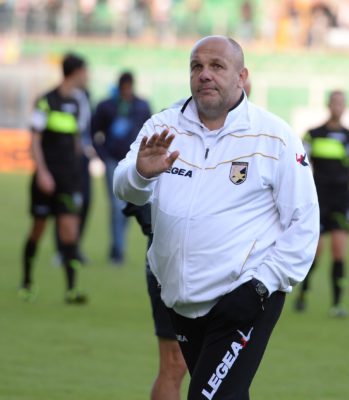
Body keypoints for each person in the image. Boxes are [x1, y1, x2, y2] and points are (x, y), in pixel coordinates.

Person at [114, 36, 319, 399]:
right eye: (197, 66)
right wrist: (141, 174)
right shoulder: (163, 126)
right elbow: (125, 188)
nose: (204, 74)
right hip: (179, 300)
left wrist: (260, 286)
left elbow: (304, 223)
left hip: (244, 299)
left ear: (241, 76)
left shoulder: (274, 137)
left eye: (216, 66)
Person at [19, 53, 90, 304]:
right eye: (85, 71)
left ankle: (71, 289)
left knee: (70, 232)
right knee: (38, 229)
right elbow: (35, 140)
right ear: (76, 72)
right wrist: (42, 172)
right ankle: (27, 281)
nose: (88, 76)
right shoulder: (46, 101)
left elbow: (76, 140)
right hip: (47, 177)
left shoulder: (79, 102)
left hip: (69, 179)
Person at [295, 90, 349, 317]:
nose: (338, 107)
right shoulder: (313, 134)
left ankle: (337, 304)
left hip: (342, 200)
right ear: (328, 105)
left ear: (345, 107)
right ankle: (303, 293)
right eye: (335, 102)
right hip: (319, 199)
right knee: (315, 252)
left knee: (338, 252)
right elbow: (301, 169)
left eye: (342, 103)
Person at [123, 203, 187, 400]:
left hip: (228, 262)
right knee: (174, 362)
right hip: (170, 259)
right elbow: (132, 189)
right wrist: (152, 220)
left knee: (227, 363)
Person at [93, 71, 152, 265]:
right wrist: (103, 156)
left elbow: (150, 129)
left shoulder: (142, 106)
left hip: (134, 162)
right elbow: (94, 132)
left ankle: (117, 246)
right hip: (113, 160)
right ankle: (118, 250)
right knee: (117, 205)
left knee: (128, 205)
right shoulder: (106, 106)